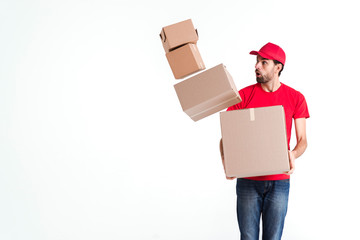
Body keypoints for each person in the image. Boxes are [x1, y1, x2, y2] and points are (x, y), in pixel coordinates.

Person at [219, 42, 310, 240]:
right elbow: (227, 134)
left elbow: (302, 140)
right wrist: (227, 162)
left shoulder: (296, 98)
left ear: (278, 68)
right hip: (248, 182)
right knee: (248, 237)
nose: (257, 66)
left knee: (273, 238)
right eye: (257, 62)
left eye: (264, 62)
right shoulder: (243, 96)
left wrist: (292, 154)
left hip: (279, 181)